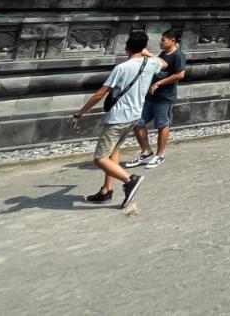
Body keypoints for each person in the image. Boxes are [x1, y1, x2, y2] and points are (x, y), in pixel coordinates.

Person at [69, 31, 164, 208]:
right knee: (114, 151)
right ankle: (106, 190)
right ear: (143, 47)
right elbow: (164, 63)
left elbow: (100, 94)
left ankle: (129, 181)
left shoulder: (122, 68)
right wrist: (147, 53)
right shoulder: (150, 63)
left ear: (127, 47)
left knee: (99, 158)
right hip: (134, 115)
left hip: (118, 117)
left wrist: (80, 113)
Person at [125, 29, 186, 170]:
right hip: (151, 95)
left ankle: (160, 154)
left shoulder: (178, 55)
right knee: (138, 121)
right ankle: (146, 151)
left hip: (165, 96)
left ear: (173, 41)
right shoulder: (164, 53)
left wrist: (159, 83)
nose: (161, 42)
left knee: (162, 124)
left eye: (164, 39)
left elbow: (180, 74)